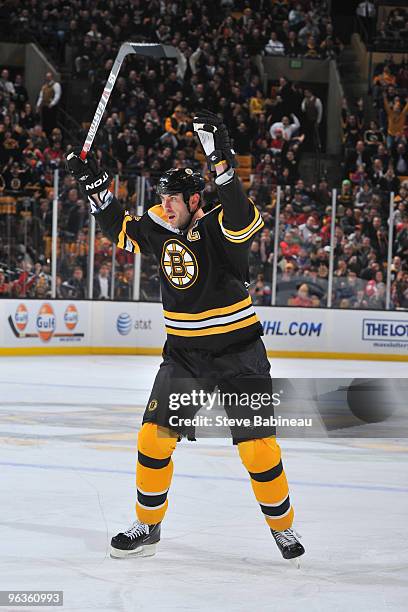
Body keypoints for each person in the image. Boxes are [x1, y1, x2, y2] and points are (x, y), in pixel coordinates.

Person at [66, 110, 305, 565]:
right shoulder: (158, 228)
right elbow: (118, 227)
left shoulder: (220, 226)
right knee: (153, 439)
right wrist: (93, 181)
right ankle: (148, 526)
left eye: (174, 198)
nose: (166, 204)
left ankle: (283, 527)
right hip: (185, 356)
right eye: (164, 198)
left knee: (258, 448)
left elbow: (239, 211)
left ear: (196, 199)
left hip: (240, 354)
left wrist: (220, 159)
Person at [36, 72, 62, 136]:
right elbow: (41, 96)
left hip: (52, 108)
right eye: (47, 77)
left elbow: (57, 95)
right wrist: (38, 105)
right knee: (45, 124)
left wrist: (52, 103)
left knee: (52, 124)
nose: (48, 78)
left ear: (52, 77)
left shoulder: (56, 85)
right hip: (44, 107)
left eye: (49, 77)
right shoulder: (44, 86)